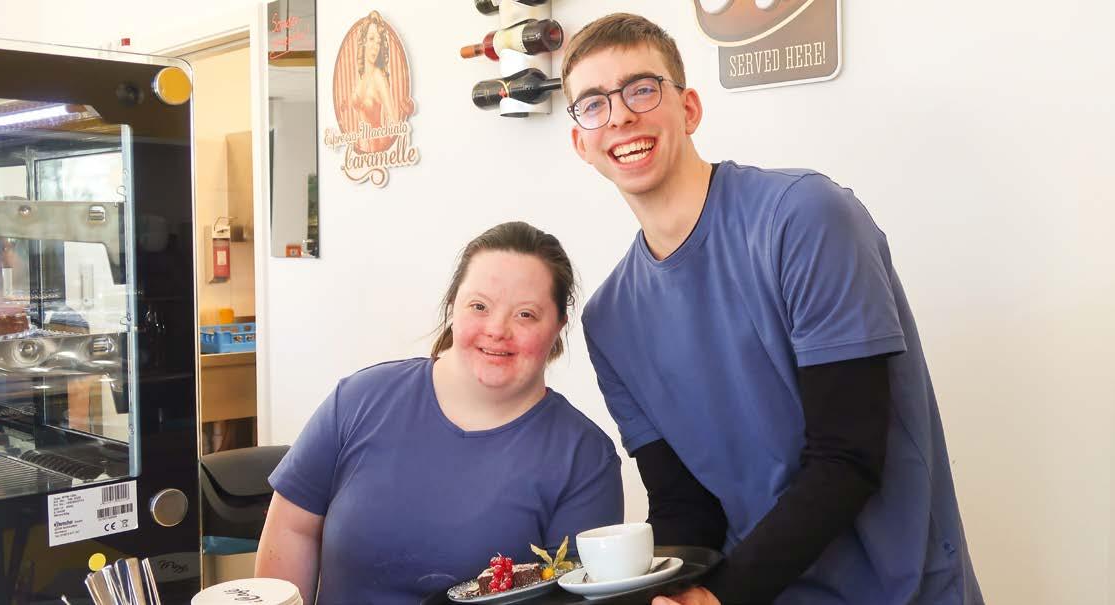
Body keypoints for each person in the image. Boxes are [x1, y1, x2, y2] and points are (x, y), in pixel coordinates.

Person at [562, 13, 982, 605]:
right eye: (594, 104)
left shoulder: (804, 217)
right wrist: (672, 594)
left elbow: (848, 457)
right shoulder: (609, 321)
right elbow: (686, 504)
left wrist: (724, 596)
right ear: (581, 143)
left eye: (641, 89)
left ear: (689, 108)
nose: (620, 116)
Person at [255, 221, 623, 604]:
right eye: (479, 306)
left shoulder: (584, 458)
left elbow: (575, 594)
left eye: (526, 315)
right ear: (452, 307)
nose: (497, 329)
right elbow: (293, 529)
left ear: (559, 325)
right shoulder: (357, 401)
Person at [349, 11, 412, 153]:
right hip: (363, 152)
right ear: (364, 41)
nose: (375, 46)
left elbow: (394, 121)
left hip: (378, 149)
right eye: (371, 39)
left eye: (378, 42)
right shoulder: (361, 75)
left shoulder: (379, 78)